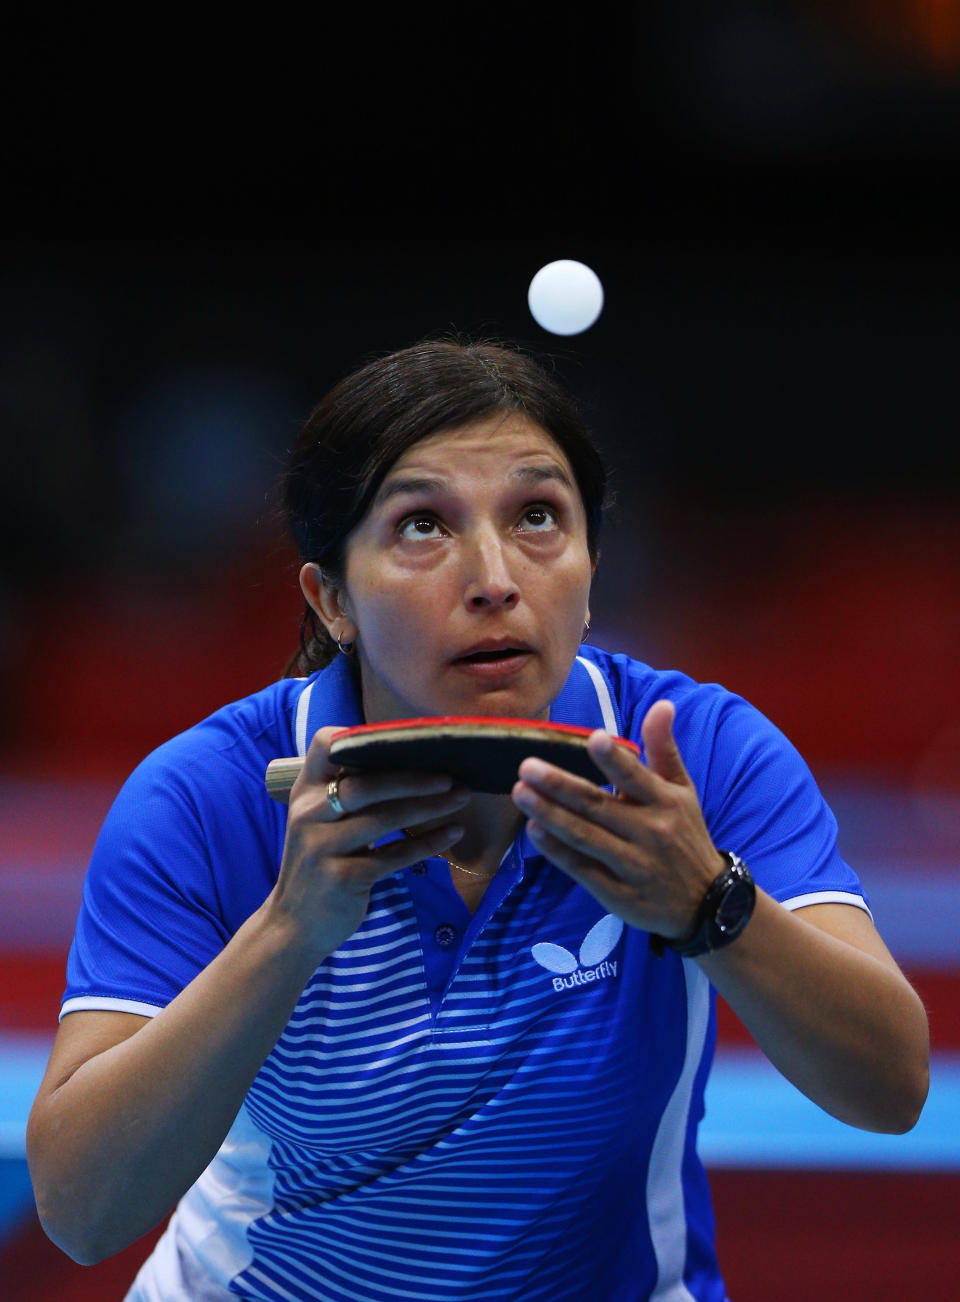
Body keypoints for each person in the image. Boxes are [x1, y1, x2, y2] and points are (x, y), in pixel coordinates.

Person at [27, 338, 929, 1302]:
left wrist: (710, 903)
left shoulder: (694, 756)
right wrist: (288, 933)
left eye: (539, 516)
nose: (495, 577)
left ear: (591, 569)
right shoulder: (207, 796)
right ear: (331, 598)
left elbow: (889, 1087)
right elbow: (83, 1214)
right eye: (422, 526)